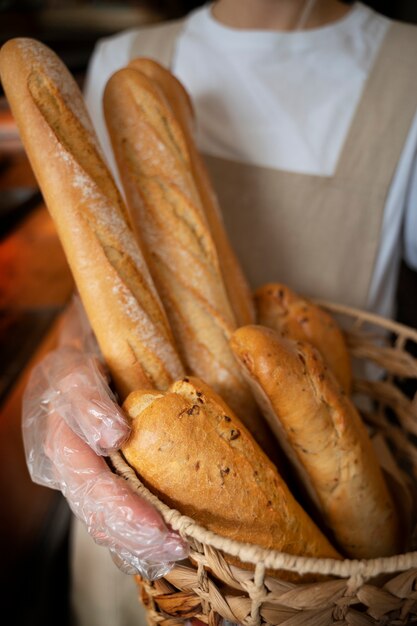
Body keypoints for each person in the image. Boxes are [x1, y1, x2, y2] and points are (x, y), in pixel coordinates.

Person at [22, 1, 417, 625]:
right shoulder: (124, 56)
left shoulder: (408, 71)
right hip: (146, 525)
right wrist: (66, 364)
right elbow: (99, 279)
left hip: (344, 583)